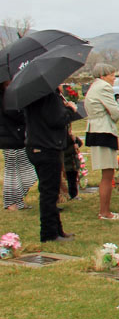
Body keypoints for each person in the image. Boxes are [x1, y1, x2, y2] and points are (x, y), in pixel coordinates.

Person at [23, 85, 77, 242]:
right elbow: (57, 120)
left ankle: (57, 229)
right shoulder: (48, 96)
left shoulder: (33, 93)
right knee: (49, 193)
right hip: (47, 147)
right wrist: (70, 110)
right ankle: (49, 233)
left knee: (50, 191)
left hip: (37, 145)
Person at [84, 63, 119, 220]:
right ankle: (105, 212)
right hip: (103, 130)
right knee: (108, 175)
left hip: (95, 130)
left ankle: (104, 211)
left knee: (106, 173)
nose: (114, 78)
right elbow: (115, 112)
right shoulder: (103, 87)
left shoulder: (94, 86)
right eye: (111, 75)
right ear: (102, 76)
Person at [0, 81, 35, 211]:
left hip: (14, 136)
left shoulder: (8, 95)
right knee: (13, 171)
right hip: (11, 137)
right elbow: (13, 114)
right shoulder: (6, 97)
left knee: (21, 170)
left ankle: (17, 200)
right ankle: (11, 202)